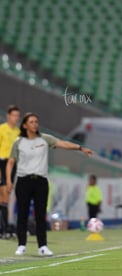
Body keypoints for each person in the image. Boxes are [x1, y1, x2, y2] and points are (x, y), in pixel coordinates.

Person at [6, 112, 92, 256]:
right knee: (22, 214)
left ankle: (43, 246)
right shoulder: (18, 142)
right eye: (32, 122)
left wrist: (80, 148)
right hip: (23, 181)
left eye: (36, 122)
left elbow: (63, 143)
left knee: (41, 215)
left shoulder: (45, 139)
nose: (35, 124)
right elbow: (10, 162)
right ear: (25, 125)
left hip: (40, 181)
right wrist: (9, 180)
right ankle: (21, 245)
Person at [0, 105, 20, 238]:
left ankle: (5, 228)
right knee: (2, 194)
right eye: (14, 115)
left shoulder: (18, 132)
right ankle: (4, 229)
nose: (16, 118)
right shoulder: (1, 129)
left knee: (7, 195)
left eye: (18, 116)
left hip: (12, 164)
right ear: (8, 116)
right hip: (1, 162)